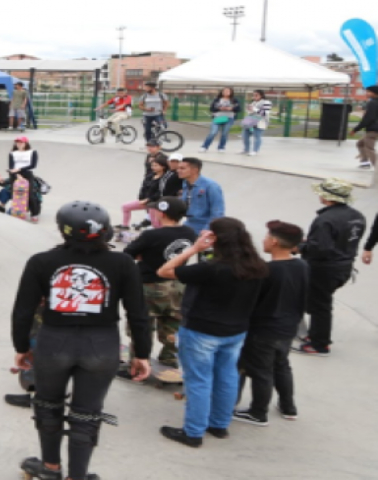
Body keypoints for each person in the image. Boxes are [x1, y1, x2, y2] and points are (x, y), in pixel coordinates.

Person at [12, 201, 151, 480]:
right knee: (86, 414)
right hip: (101, 346)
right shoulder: (122, 263)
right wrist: (142, 353)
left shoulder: (42, 262)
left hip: (54, 343)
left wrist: (22, 348)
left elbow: (23, 311)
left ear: (63, 231)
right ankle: (77, 476)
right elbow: (138, 313)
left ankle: (50, 467)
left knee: (48, 403)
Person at [156, 217, 268, 447]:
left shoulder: (211, 269)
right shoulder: (257, 266)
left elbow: (165, 270)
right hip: (236, 331)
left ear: (216, 239)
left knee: (198, 381)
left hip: (201, 330)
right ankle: (219, 425)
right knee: (228, 377)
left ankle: (193, 432)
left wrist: (194, 249)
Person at [234, 220, 308, 425]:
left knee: (259, 371)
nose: (264, 241)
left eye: (267, 237)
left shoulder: (266, 271)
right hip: (287, 327)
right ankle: (288, 406)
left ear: (274, 242)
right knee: (281, 365)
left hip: (263, 329)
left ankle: (258, 412)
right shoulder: (302, 265)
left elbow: (251, 301)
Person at [121, 197, 196, 372]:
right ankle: (169, 358)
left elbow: (127, 254)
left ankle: (138, 362)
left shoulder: (151, 235)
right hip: (177, 285)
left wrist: (142, 255)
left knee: (143, 325)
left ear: (161, 213)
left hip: (150, 286)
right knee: (173, 323)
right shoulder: (190, 233)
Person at [294, 178, 366, 356]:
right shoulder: (357, 216)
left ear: (328, 197)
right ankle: (316, 335)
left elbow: (320, 249)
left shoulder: (325, 219)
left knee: (321, 306)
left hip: (324, 269)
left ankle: (319, 344)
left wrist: (299, 247)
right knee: (319, 303)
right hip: (344, 267)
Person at [0, 136, 42, 222]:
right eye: (17, 142)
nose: (19, 144)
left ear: (26, 143)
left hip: (27, 174)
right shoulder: (12, 153)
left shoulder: (32, 152)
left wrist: (19, 170)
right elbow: (11, 167)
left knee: (28, 194)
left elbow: (33, 165)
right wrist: (16, 175)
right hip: (14, 175)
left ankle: (34, 214)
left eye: (21, 142)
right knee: (14, 193)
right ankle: (9, 209)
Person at [118, 156, 169, 231]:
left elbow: (160, 192)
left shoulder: (165, 179)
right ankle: (125, 225)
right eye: (152, 165)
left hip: (155, 203)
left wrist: (148, 200)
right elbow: (143, 188)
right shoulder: (150, 176)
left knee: (155, 222)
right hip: (144, 201)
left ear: (163, 167)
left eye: (156, 165)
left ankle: (161, 233)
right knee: (125, 206)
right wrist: (141, 198)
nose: (153, 167)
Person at [177, 157, 225, 234]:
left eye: (182, 168)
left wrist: (208, 229)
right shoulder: (185, 183)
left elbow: (217, 211)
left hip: (204, 226)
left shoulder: (211, 186)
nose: (178, 171)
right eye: (178, 168)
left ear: (195, 170)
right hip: (189, 223)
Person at [200, 87, 241, 153]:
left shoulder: (234, 100)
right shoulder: (217, 99)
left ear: (231, 92)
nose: (226, 92)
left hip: (229, 118)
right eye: (224, 91)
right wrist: (220, 108)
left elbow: (238, 109)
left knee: (224, 133)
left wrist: (231, 109)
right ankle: (204, 146)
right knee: (213, 132)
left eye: (228, 91)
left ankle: (221, 147)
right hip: (218, 118)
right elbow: (212, 108)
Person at [350, 85, 378, 169]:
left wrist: (356, 129)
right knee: (360, 143)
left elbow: (368, 118)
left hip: (373, 129)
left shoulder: (373, 103)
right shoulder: (373, 102)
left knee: (369, 148)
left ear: (375, 93)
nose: (367, 93)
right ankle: (365, 162)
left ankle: (376, 166)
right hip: (374, 128)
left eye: (369, 92)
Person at [241, 90, 273, 157]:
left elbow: (265, 113)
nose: (254, 96)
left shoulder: (266, 102)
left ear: (261, 95)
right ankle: (246, 149)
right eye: (253, 95)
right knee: (245, 136)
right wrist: (249, 109)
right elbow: (250, 112)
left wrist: (254, 109)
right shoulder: (253, 102)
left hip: (260, 122)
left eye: (256, 95)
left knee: (257, 136)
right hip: (250, 122)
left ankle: (255, 151)